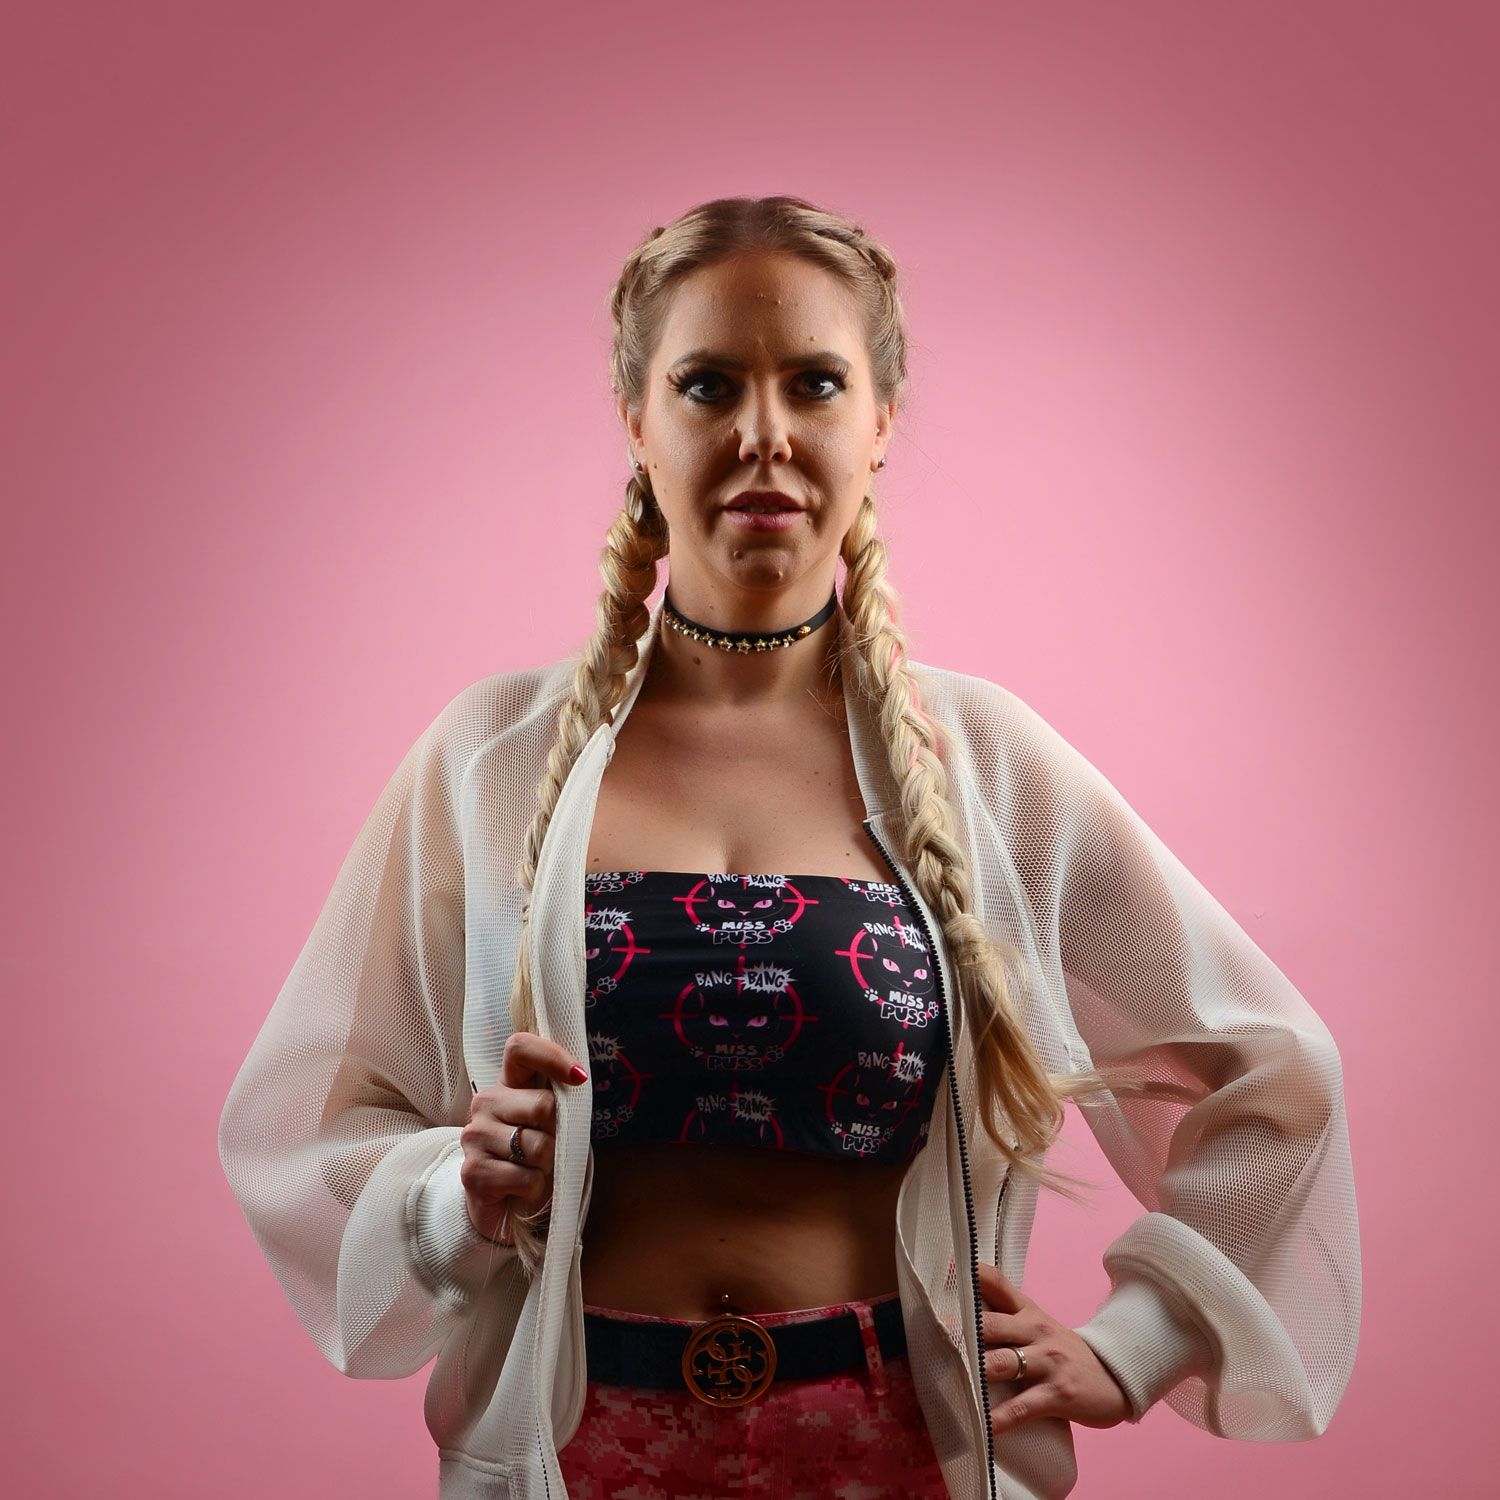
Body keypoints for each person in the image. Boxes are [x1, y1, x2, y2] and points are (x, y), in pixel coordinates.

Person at [218, 195, 1361, 1500]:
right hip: (572, 1455)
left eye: (814, 382)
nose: (762, 431)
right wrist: (452, 1190)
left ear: (880, 421)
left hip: (899, 1457)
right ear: (636, 418)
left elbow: (1273, 1074)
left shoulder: (984, 765)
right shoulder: (491, 759)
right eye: (708, 384)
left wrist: (1135, 1344)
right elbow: (304, 1124)